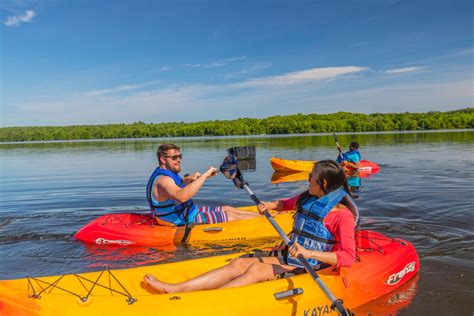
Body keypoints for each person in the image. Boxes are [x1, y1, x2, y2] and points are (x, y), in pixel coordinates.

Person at [144, 160, 358, 293]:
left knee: (256, 268)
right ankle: (175, 288)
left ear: (325, 184)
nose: (308, 179)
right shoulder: (308, 197)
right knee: (238, 263)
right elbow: (285, 204)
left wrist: (306, 251)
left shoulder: (343, 215)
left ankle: (204, 301)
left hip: (313, 264)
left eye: (311, 177)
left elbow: (347, 257)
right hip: (292, 257)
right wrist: (270, 205)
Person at [146, 144, 261, 227]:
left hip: (190, 212)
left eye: (180, 156)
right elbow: (181, 197)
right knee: (230, 215)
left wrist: (190, 179)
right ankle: (265, 223)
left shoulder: (165, 176)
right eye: (174, 157)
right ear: (163, 159)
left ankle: (263, 216)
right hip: (182, 221)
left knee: (227, 208)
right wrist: (204, 176)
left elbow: (177, 184)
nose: (179, 160)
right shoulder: (163, 180)